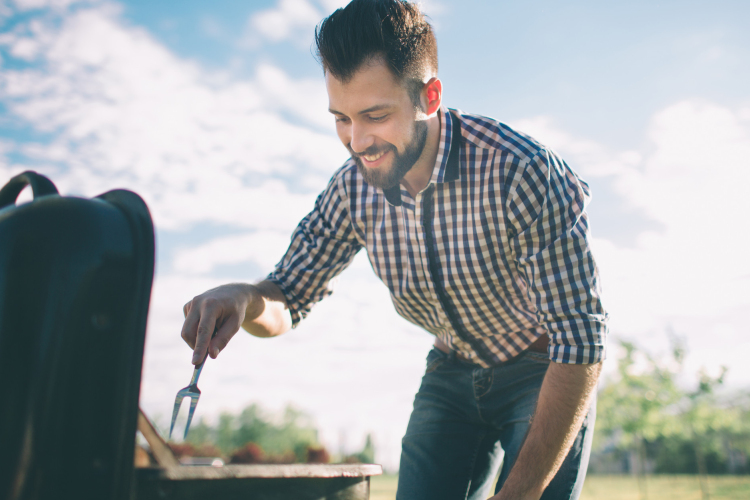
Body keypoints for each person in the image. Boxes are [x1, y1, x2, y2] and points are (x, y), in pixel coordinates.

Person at [180, 0, 608, 498]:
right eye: (341, 118)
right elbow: (290, 295)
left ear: (429, 96)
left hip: (545, 371)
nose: (357, 141)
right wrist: (244, 298)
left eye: (375, 115)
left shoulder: (522, 172)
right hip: (451, 372)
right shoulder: (352, 190)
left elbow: (581, 341)